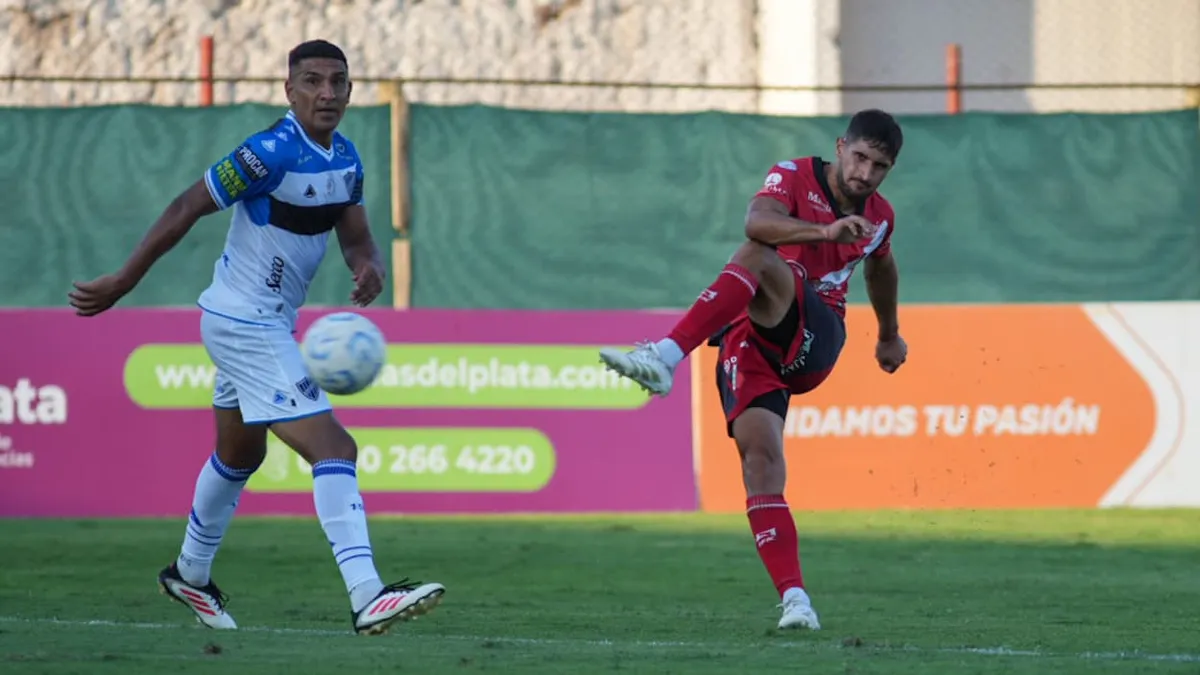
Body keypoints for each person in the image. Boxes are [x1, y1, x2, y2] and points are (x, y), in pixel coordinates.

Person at [67, 40, 445, 636]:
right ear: (289, 90)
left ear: (350, 91)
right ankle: (367, 594)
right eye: (313, 81)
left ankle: (190, 572)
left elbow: (356, 234)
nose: (327, 93)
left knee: (241, 454)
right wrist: (123, 280)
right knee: (335, 451)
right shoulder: (266, 153)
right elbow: (187, 204)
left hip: (262, 322)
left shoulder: (345, 158)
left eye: (338, 82)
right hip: (246, 322)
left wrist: (366, 263)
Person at [599, 109, 908, 631]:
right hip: (755, 341)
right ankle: (796, 601)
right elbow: (757, 219)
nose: (865, 174)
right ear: (840, 147)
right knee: (760, 462)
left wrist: (887, 333)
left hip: (817, 335)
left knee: (762, 259)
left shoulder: (880, 218)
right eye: (859, 157)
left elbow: (881, 266)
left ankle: (666, 356)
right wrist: (824, 227)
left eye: (879, 166)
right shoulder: (792, 175)